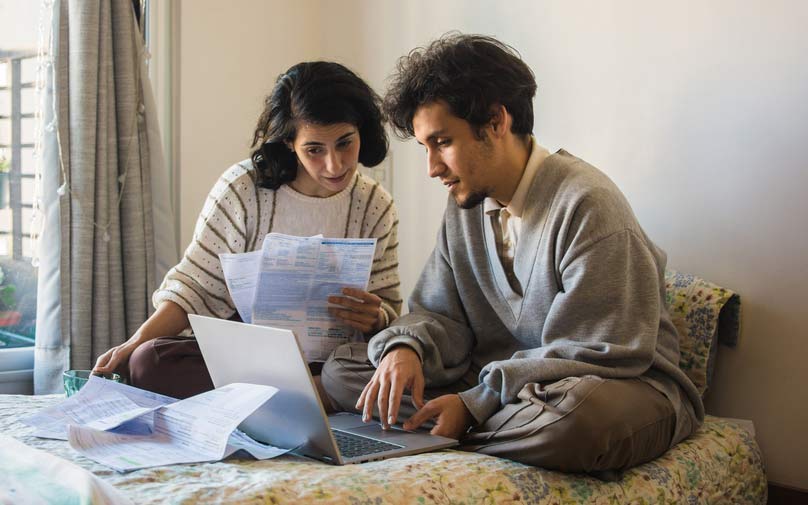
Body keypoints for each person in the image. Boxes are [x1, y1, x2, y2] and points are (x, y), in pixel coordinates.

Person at [320, 34, 703, 474]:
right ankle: (462, 424)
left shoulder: (588, 203)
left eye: (442, 142)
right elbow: (441, 315)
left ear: (496, 121)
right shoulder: (465, 203)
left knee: (576, 424)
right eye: (426, 147)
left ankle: (456, 425)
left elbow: (598, 351)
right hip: (507, 385)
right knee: (346, 371)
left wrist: (474, 403)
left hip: (616, 385)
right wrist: (404, 348)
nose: (432, 167)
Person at [93, 62, 402, 399]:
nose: (335, 164)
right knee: (148, 361)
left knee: (375, 369)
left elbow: (389, 310)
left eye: (345, 143)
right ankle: (300, 400)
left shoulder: (374, 203)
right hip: (248, 359)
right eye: (314, 150)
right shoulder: (242, 189)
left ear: (362, 131)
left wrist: (375, 316)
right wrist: (133, 343)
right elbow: (195, 287)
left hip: (331, 365)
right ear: (289, 142)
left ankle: (271, 400)